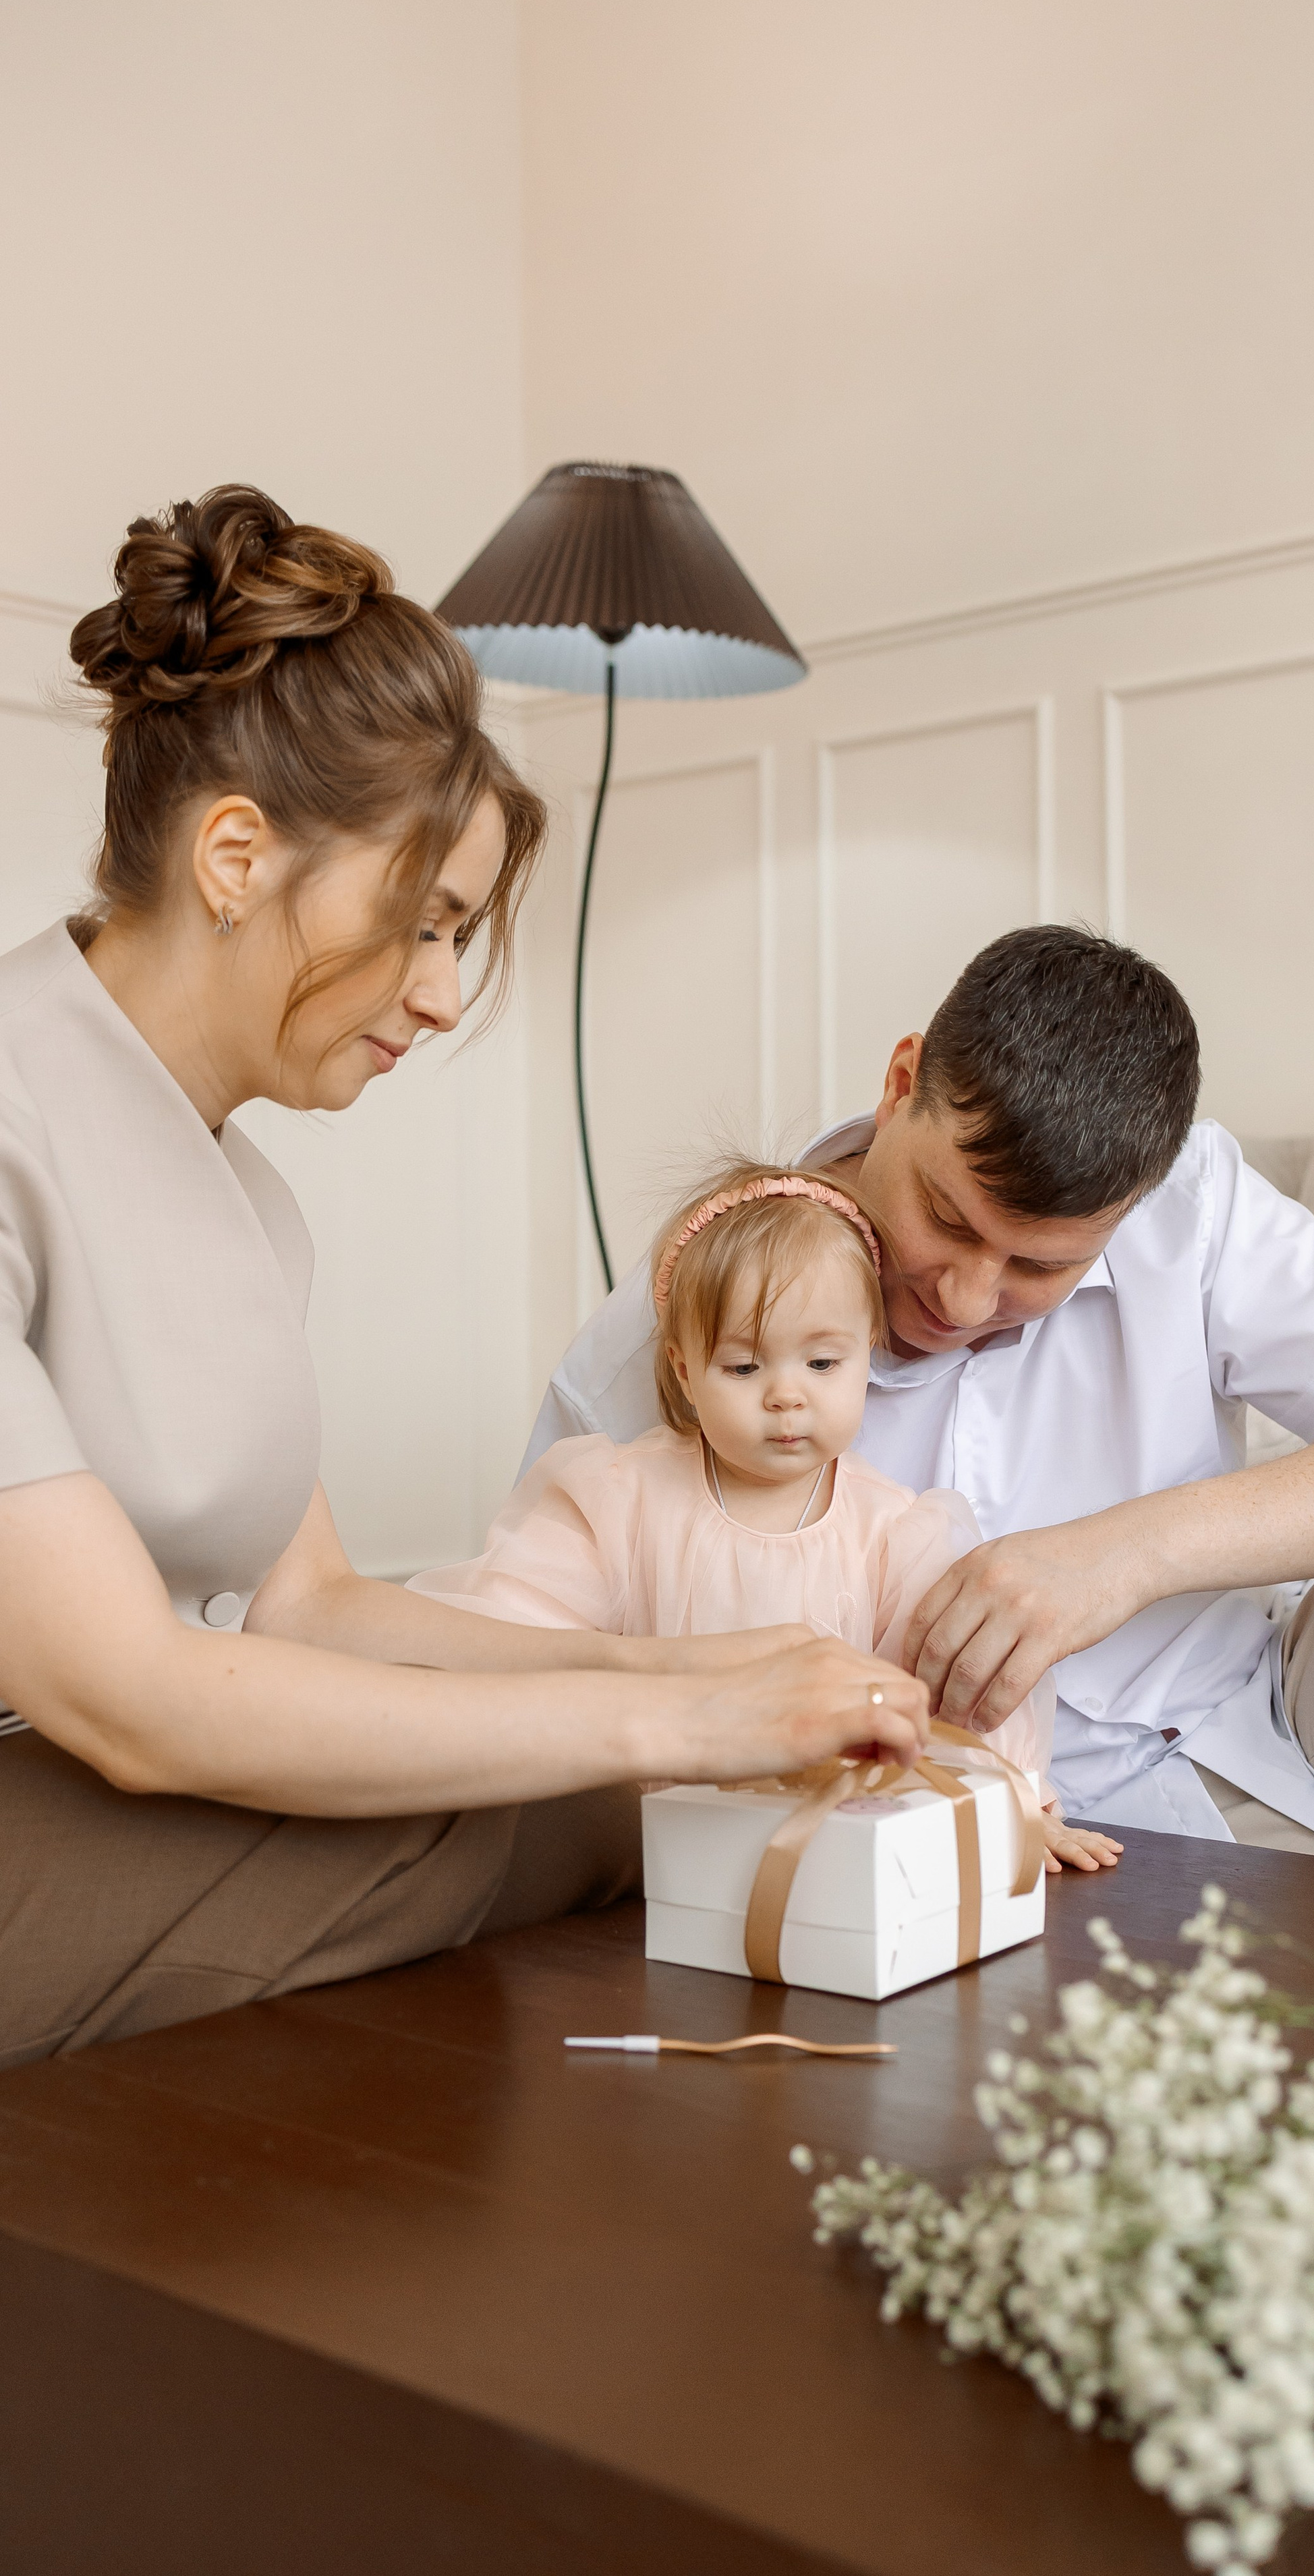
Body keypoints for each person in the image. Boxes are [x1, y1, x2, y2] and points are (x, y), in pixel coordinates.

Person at [0, 486, 926, 2069]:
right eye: (423, 924)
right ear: (235, 852)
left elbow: (314, 1605)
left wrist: (682, 1665)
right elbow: (133, 1695)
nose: (438, 994)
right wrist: (683, 1725)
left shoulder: (246, 1194)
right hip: (59, 1779)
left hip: (86, 1777)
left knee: (589, 1790)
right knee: (582, 1801)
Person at [530, 925, 1314, 1912]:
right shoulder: (687, 1321)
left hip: (1273, 1747)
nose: (963, 1298)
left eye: (1038, 1267)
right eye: (945, 1218)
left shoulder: (1193, 1206)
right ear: (901, 1084)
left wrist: (1124, 1555)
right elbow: (540, 1666)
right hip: (910, 1842)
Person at [411, 1161, 1122, 1874]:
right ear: (686, 1370)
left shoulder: (894, 1534)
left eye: (821, 1363)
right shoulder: (617, 1497)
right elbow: (516, 1633)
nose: (787, 1397)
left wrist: (1015, 1802)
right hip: (642, 1850)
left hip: (833, 1853)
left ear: (865, 1350)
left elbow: (959, 1697)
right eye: (745, 1368)